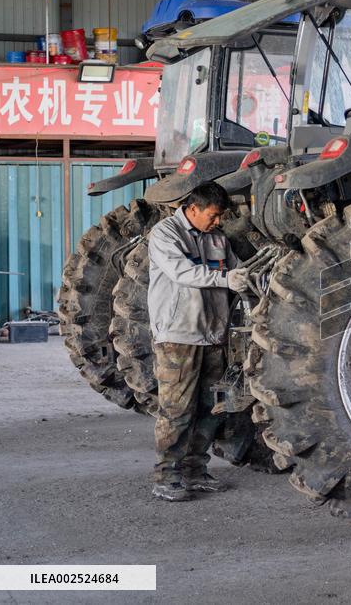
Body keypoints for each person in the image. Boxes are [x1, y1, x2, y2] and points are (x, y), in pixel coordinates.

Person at [146, 181, 249, 501]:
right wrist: (226, 279)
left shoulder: (216, 238)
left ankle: (195, 469)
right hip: (178, 335)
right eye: (213, 215)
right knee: (177, 409)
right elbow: (182, 273)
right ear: (193, 209)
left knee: (209, 408)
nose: (218, 222)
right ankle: (167, 475)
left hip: (211, 334)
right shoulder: (165, 235)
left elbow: (237, 271)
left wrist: (251, 278)